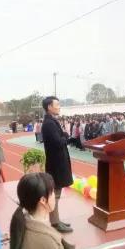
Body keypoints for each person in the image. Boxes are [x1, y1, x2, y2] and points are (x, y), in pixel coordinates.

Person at [9, 172, 91, 249]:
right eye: (52, 192)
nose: (54, 196)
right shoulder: (45, 241)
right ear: (43, 200)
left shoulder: (21, 227)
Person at [39, 97, 73, 233]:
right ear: (49, 107)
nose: (59, 107)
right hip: (56, 164)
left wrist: (63, 135)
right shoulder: (49, 123)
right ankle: (55, 222)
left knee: (57, 193)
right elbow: (58, 142)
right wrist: (66, 136)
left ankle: (56, 220)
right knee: (55, 194)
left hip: (58, 162)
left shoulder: (52, 121)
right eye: (57, 104)